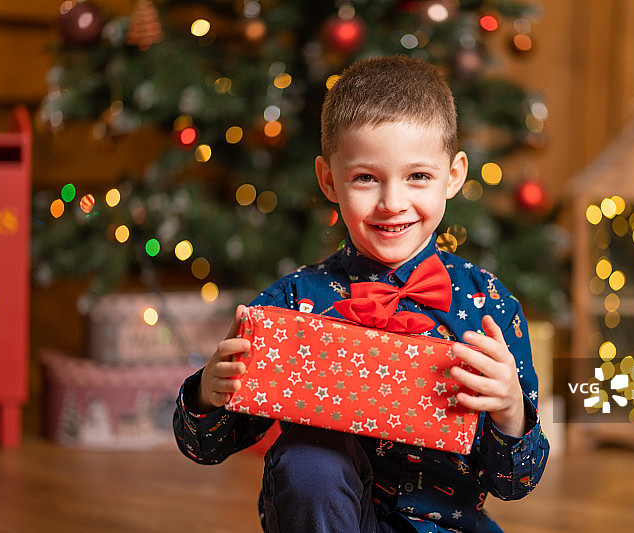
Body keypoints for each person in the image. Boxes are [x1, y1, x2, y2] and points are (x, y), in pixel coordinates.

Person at [174, 55, 549, 533]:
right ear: (329, 179)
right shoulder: (293, 302)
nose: (392, 202)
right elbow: (204, 446)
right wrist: (209, 392)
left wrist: (511, 411)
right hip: (326, 518)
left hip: (450, 528)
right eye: (366, 178)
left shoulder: (490, 307)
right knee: (306, 460)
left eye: (418, 176)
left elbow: (516, 482)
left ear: (453, 175)